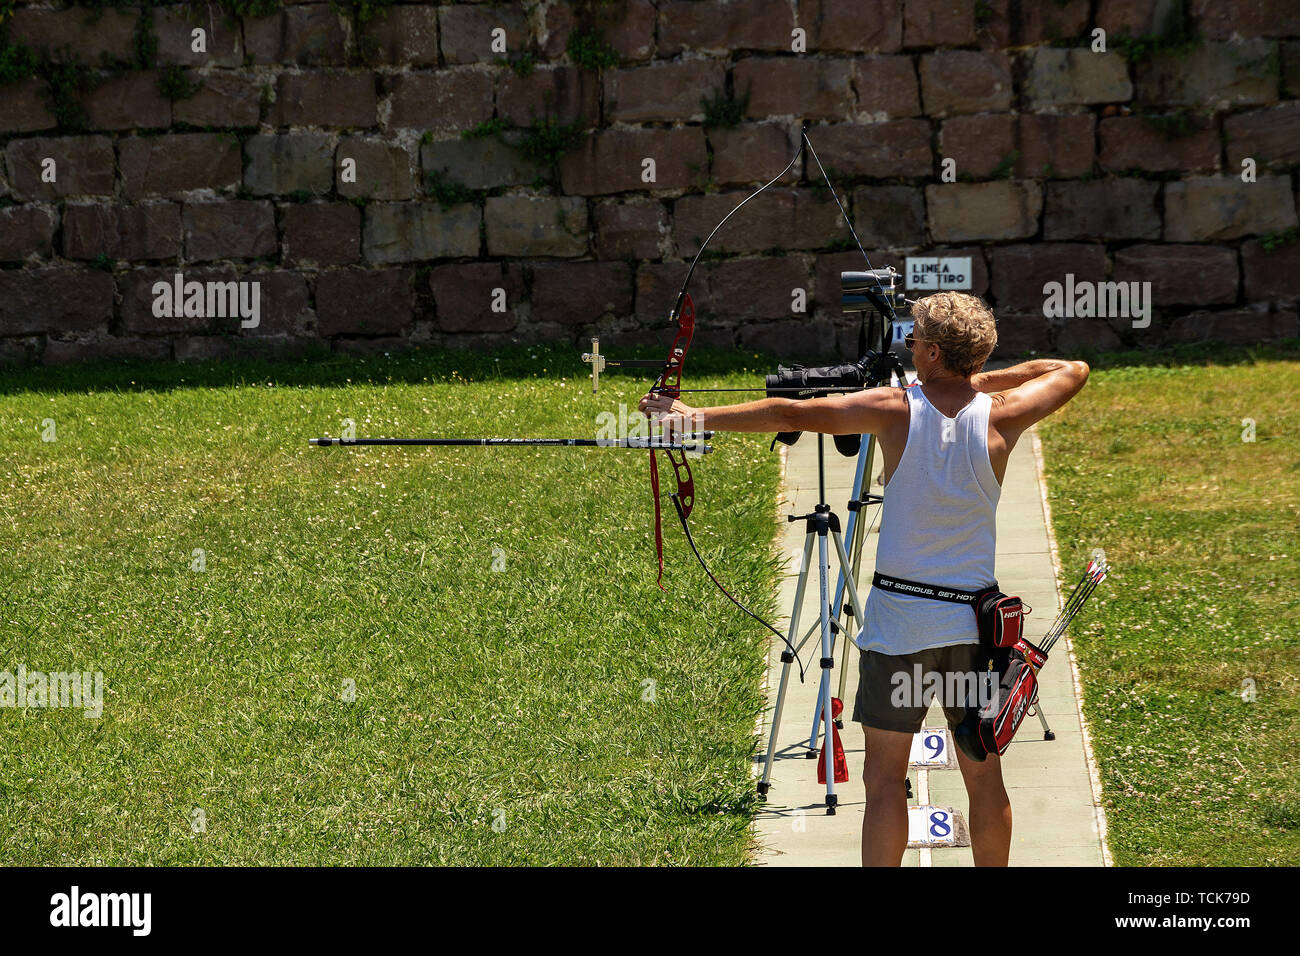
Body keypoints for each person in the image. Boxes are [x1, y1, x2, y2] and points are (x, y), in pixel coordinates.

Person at [639, 291, 1090, 866]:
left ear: (928, 350)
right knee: (983, 776)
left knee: (884, 782)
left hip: (900, 628)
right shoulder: (1005, 412)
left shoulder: (895, 407)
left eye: (914, 341)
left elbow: (791, 414)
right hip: (972, 631)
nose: (906, 348)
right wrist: (968, 377)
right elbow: (1070, 369)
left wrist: (688, 417)